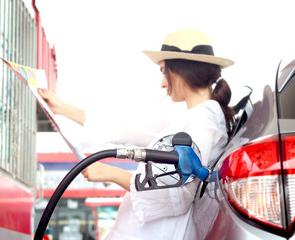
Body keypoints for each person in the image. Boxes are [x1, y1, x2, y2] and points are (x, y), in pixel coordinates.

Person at [39, 29, 234, 239]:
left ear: (179, 70)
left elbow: (180, 194)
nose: (162, 83)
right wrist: (62, 109)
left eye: (162, 71)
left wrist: (110, 174)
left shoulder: (203, 123)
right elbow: (125, 130)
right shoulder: (192, 119)